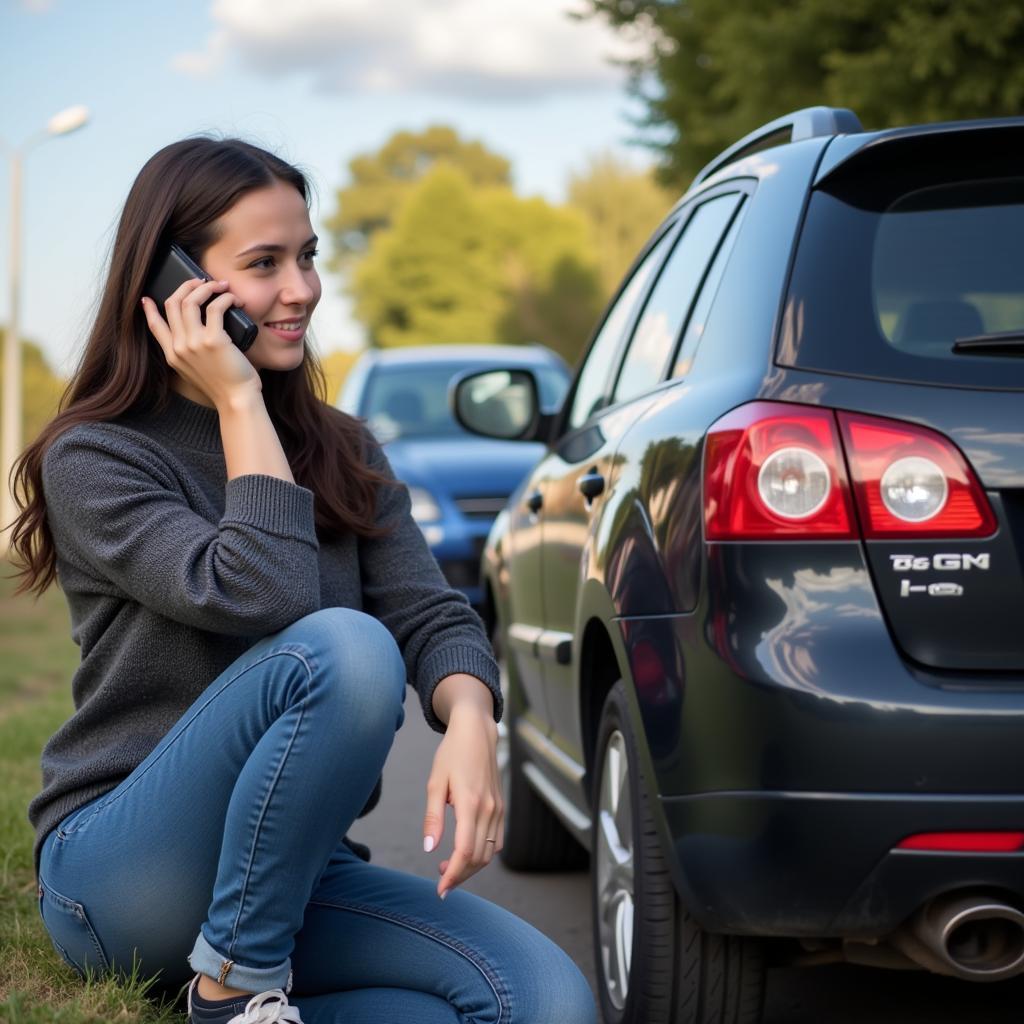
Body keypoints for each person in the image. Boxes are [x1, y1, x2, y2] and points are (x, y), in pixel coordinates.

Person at [8, 136, 596, 1024]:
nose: (302, 290)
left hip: (297, 877)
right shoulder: (96, 457)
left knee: (545, 1002)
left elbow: (430, 612)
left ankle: (251, 986)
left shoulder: (346, 449)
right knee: (344, 647)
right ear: (176, 285)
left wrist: (472, 717)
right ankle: (235, 987)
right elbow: (265, 595)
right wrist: (241, 401)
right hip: (125, 876)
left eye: (308, 255)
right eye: (263, 264)